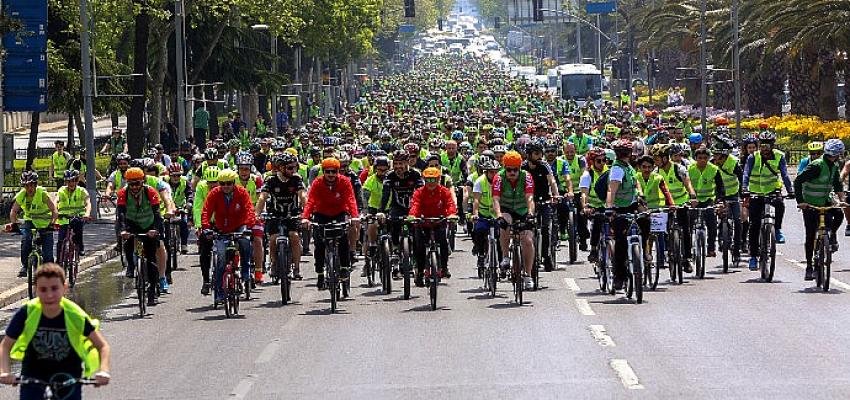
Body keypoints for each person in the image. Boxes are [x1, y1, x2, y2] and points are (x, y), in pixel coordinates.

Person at [0, 264, 111, 400]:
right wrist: (5, 372)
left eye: (54, 288)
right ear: (35, 290)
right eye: (43, 289)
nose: (49, 295)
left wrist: (104, 371)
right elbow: (5, 346)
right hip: (33, 377)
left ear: (64, 288)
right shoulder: (27, 312)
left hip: (68, 378)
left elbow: (102, 346)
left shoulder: (75, 315)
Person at [301, 158, 360, 290]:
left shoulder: (345, 181)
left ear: (338, 171)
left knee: (343, 239)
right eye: (328, 172)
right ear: (323, 172)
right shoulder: (317, 183)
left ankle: (344, 267)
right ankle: (320, 273)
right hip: (321, 214)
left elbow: (350, 199)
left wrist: (355, 216)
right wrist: (305, 218)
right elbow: (310, 201)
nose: (331, 174)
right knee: (319, 243)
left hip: (339, 213)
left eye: (334, 171)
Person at [201, 169, 255, 302]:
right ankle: (219, 291)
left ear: (233, 183)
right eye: (222, 183)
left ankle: (246, 271)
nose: (226, 186)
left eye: (229, 183)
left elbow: (249, 209)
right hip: (221, 229)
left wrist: (249, 225)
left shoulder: (242, 192)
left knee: (245, 242)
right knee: (220, 258)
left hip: (239, 226)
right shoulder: (214, 193)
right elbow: (206, 211)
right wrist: (206, 228)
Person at [742, 130, 794, 270]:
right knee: (754, 225)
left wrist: (790, 190)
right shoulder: (753, 157)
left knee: (780, 204)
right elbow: (746, 173)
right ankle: (753, 257)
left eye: (768, 145)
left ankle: (777, 229)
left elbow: (785, 175)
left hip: (772, 191)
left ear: (773, 145)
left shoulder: (779, 156)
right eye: (762, 145)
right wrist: (745, 188)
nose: (765, 149)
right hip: (755, 193)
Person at [794, 139, 845, 281]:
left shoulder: (834, 166)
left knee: (838, 214)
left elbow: (837, 184)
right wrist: (801, 202)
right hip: (810, 205)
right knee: (810, 235)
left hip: (824, 202)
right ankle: (809, 267)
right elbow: (798, 181)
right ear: (837, 154)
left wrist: (842, 200)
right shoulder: (816, 166)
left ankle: (831, 236)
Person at [116, 167, 163, 305]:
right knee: (128, 244)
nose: (134, 187)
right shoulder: (123, 193)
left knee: (151, 259)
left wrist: (155, 230)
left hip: (149, 225)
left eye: (137, 183)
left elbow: (157, 214)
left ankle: (152, 290)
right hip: (132, 224)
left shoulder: (150, 192)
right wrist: (123, 231)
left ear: (143, 181)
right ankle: (131, 266)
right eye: (131, 184)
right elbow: (121, 214)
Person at [256, 154, 307, 281]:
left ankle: (296, 268)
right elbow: (262, 197)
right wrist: (257, 214)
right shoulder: (270, 180)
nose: (293, 170)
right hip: (274, 215)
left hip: (292, 214)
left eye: (294, 167)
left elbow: (302, 196)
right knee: (273, 239)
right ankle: (273, 263)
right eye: (290, 168)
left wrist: (306, 214)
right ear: (281, 168)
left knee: (295, 237)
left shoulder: (296, 179)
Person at [491, 151, 536, 290]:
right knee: (506, 220)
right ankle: (505, 256)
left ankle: (528, 275)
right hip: (506, 208)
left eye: (515, 169)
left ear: (520, 168)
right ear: (504, 168)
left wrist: (530, 214)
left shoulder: (526, 176)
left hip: (522, 210)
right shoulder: (498, 177)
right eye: (509, 169)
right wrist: (498, 215)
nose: (512, 172)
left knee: (527, 241)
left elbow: (529, 197)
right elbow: (496, 199)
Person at [605, 140, 644, 290]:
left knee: (646, 220)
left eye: (626, 152)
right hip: (619, 208)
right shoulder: (617, 169)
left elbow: (636, 182)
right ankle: (619, 276)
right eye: (622, 152)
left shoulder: (629, 167)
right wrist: (610, 208)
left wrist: (640, 194)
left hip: (632, 204)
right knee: (620, 242)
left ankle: (645, 253)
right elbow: (611, 190)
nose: (625, 154)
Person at [378, 151, 424, 279]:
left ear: (407, 162)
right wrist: (381, 211)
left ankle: (415, 260)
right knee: (394, 225)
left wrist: (422, 211)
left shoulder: (415, 174)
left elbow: (421, 193)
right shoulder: (390, 175)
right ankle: (395, 253)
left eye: (401, 163)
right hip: (396, 208)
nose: (398, 167)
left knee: (417, 233)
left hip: (412, 208)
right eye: (396, 163)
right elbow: (385, 194)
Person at [409, 167, 458, 285]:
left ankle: (444, 267)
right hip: (422, 223)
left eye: (434, 179)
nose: (431, 183)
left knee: (444, 243)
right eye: (428, 180)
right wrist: (412, 215)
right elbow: (415, 205)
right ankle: (420, 272)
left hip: (439, 222)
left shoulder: (444, 191)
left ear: (438, 179)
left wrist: (451, 214)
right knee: (419, 247)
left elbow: (450, 204)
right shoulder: (419, 192)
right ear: (424, 180)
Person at [7, 171, 59, 278]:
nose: (29, 188)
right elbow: (14, 211)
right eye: (26, 186)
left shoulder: (42, 193)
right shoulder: (22, 194)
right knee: (26, 240)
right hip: (30, 222)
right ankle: (25, 266)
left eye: (31, 185)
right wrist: (14, 223)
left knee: (48, 254)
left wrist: (52, 223)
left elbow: (54, 210)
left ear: (35, 184)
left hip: (45, 224)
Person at [523, 140, 561, 271]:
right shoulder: (523, 167)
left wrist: (556, 195)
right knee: (526, 228)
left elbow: (552, 181)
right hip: (528, 202)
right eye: (536, 154)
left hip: (544, 201)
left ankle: (546, 256)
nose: (540, 156)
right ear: (529, 154)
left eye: (541, 153)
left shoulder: (544, 166)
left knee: (545, 228)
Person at [234, 152, 266, 283]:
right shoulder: (232, 180)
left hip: (254, 213)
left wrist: (258, 213)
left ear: (250, 168)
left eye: (246, 169)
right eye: (241, 168)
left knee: (257, 240)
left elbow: (261, 199)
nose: (244, 172)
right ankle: (235, 263)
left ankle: (258, 271)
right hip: (236, 215)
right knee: (234, 239)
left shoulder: (257, 180)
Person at [688, 148, 725, 258]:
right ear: (695, 158)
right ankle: (688, 249)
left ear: (709, 158)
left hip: (708, 200)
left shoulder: (714, 169)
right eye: (700, 158)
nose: (702, 160)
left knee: (712, 224)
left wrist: (719, 201)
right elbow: (684, 185)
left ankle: (711, 248)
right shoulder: (689, 169)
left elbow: (720, 187)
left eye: (705, 158)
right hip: (693, 201)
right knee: (688, 224)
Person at [193, 166, 220, 295]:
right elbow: (198, 207)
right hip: (207, 221)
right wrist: (199, 226)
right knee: (205, 251)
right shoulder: (201, 187)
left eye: (215, 182)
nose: (213, 185)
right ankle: (206, 280)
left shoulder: (225, 186)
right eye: (210, 183)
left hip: (222, 221)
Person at [471, 158, 501, 271]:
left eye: (496, 172)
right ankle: (481, 255)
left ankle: (502, 262)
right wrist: (475, 214)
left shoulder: (502, 181)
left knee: (501, 237)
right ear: (486, 172)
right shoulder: (480, 181)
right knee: (479, 232)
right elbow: (476, 200)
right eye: (491, 172)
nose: (494, 174)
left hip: (497, 214)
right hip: (483, 213)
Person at [56, 170, 93, 263]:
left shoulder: (82, 191)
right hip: (63, 218)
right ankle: (59, 260)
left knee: (78, 230)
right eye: (69, 181)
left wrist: (87, 214)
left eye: (74, 180)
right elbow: (55, 201)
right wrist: (55, 212)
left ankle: (80, 247)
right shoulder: (61, 190)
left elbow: (88, 203)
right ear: (65, 182)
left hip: (78, 217)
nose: (71, 183)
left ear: (77, 181)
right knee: (60, 240)